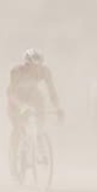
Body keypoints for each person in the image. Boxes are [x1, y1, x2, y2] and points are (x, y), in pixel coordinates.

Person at [7, 48, 64, 177]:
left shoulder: (44, 72)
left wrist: (57, 108)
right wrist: (21, 107)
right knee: (18, 127)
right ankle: (13, 158)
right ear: (26, 64)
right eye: (33, 66)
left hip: (32, 97)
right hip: (15, 100)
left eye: (39, 65)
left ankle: (38, 140)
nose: (36, 69)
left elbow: (52, 91)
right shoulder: (16, 72)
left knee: (40, 107)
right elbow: (11, 94)